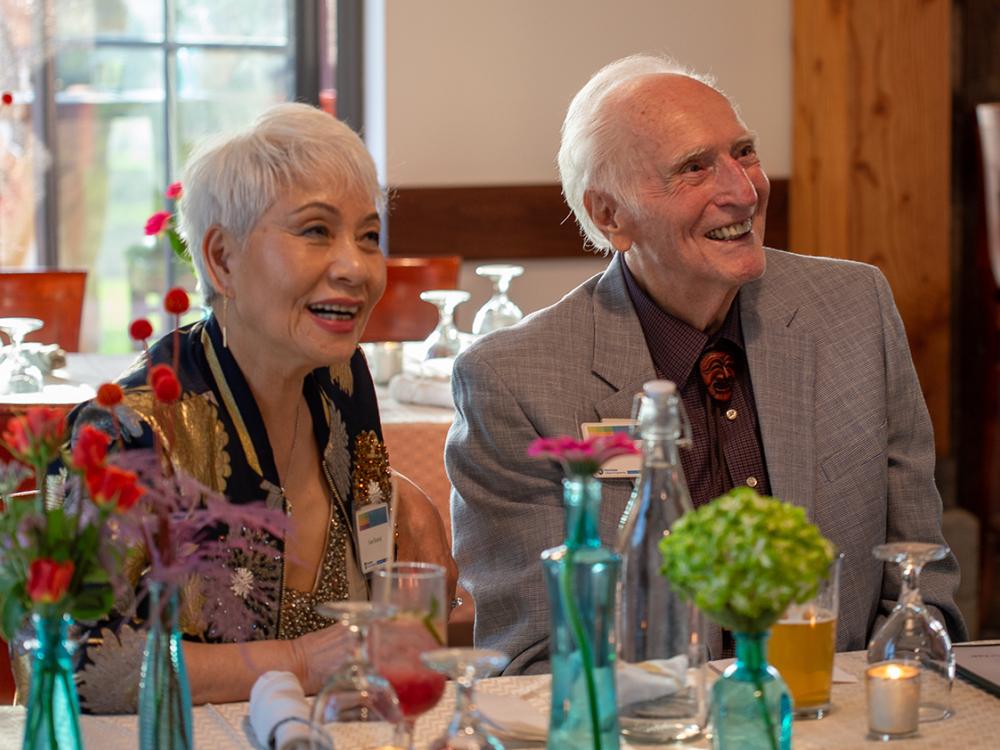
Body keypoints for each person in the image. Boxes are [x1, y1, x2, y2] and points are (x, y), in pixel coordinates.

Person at [446, 54, 967, 675]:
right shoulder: (514, 380)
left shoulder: (853, 309)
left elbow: (919, 579)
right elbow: (536, 654)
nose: (744, 191)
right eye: (694, 168)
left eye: (743, 152)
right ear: (611, 215)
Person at [65, 103, 456, 712]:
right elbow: (80, 660)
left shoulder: (341, 379)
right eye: (316, 230)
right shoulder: (131, 431)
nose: (356, 267)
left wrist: (404, 500)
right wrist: (299, 663)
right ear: (222, 259)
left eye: (368, 236)